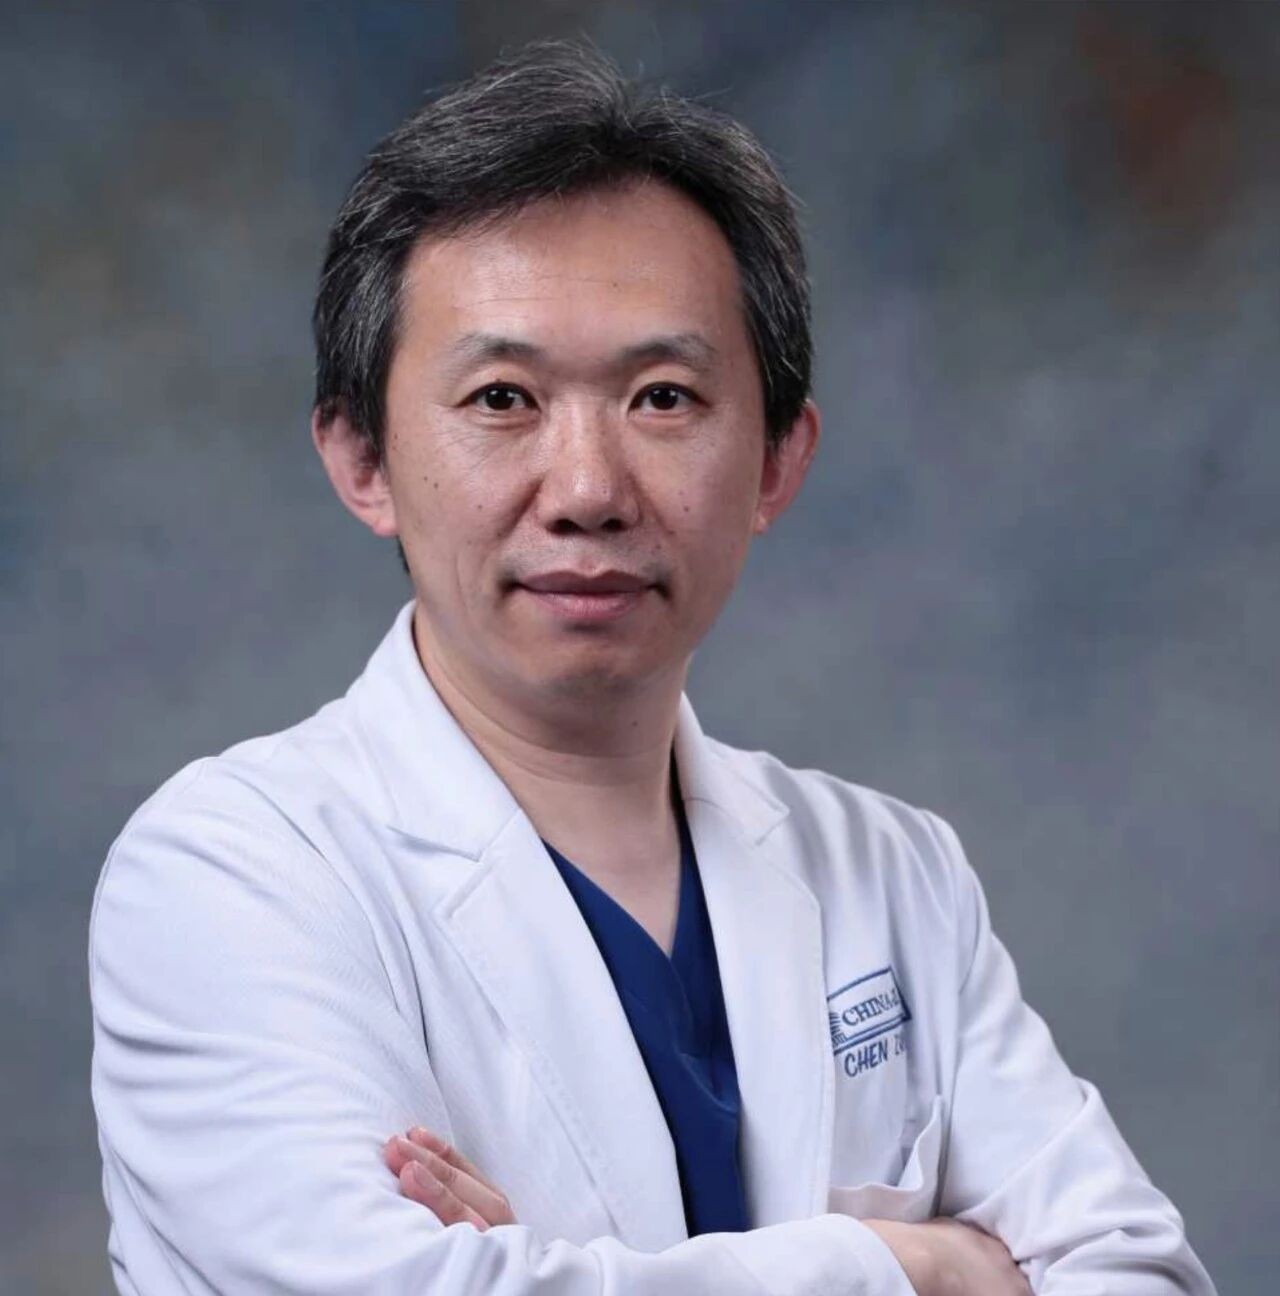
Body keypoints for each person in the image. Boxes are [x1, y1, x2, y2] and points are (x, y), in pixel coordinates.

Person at [88, 40, 1217, 1296]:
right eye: (502, 398)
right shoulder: (229, 877)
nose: (587, 489)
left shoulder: (891, 873)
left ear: (776, 462)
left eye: (664, 398)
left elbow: (1139, 1273)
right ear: (362, 460)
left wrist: (554, 1269)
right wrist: (923, 1267)